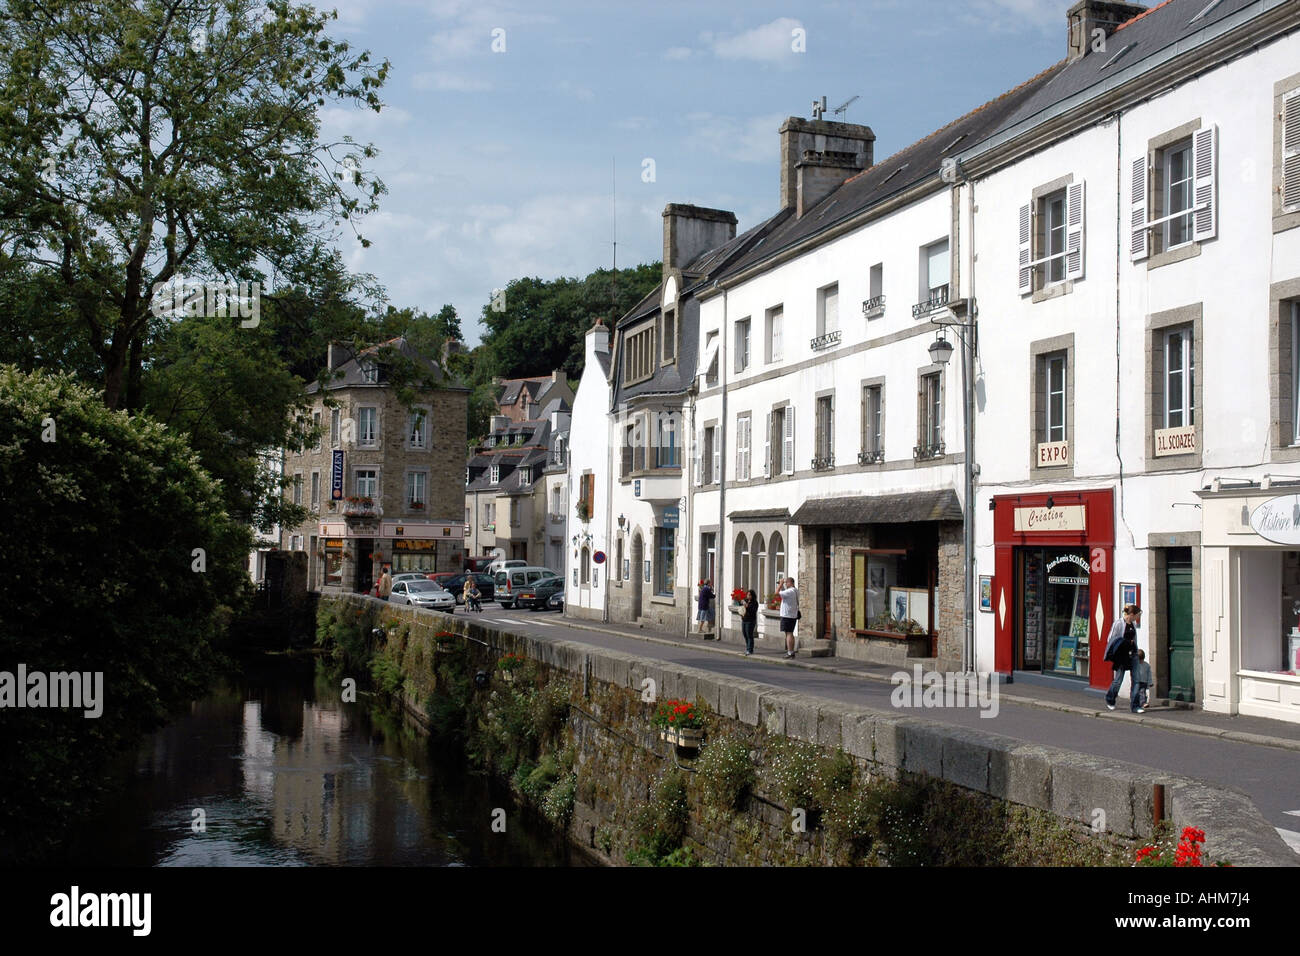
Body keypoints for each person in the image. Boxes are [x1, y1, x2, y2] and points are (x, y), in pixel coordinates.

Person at [1103, 603, 1142, 712]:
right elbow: (1111, 639)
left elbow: (1134, 639)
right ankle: (1110, 698)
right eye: (1137, 615)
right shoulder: (1119, 624)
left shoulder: (1133, 624)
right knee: (1118, 680)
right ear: (1132, 614)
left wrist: (1135, 648)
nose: (1137, 617)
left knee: (1136, 680)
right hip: (1122, 655)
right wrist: (1126, 643)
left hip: (1133, 654)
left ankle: (1135, 706)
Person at [778, 577, 799, 658]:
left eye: (786, 582)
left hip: (787, 615)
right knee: (790, 633)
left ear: (790, 583)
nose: (785, 584)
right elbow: (783, 593)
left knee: (788, 633)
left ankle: (790, 652)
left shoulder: (790, 591)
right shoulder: (795, 590)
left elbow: (776, 593)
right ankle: (791, 651)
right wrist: (782, 586)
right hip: (792, 615)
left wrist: (780, 584)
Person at [740, 589, 759, 656]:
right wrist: (741, 601)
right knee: (745, 634)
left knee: (749, 635)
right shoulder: (746, 600)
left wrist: (747, 606)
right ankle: (748, 647)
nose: (748, 596)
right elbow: (741, 603)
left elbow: (753, 610)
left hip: (751, 620)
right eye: (747, 595)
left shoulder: (755, 602)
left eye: (749, 595)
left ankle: (750, 650)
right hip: (744, 620)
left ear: (752, 596)